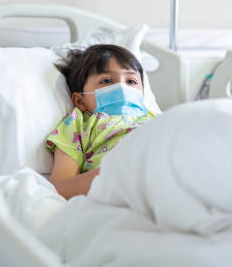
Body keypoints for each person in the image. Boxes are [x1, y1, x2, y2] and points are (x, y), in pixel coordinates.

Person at [46, 44, 156, 199]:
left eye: (131, 81)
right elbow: (60, 187)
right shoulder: (77, 125)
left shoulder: (156, 119)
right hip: (121, 181)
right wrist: (107, 176)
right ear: (80, 101)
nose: (121, 87)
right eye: (106, 80)